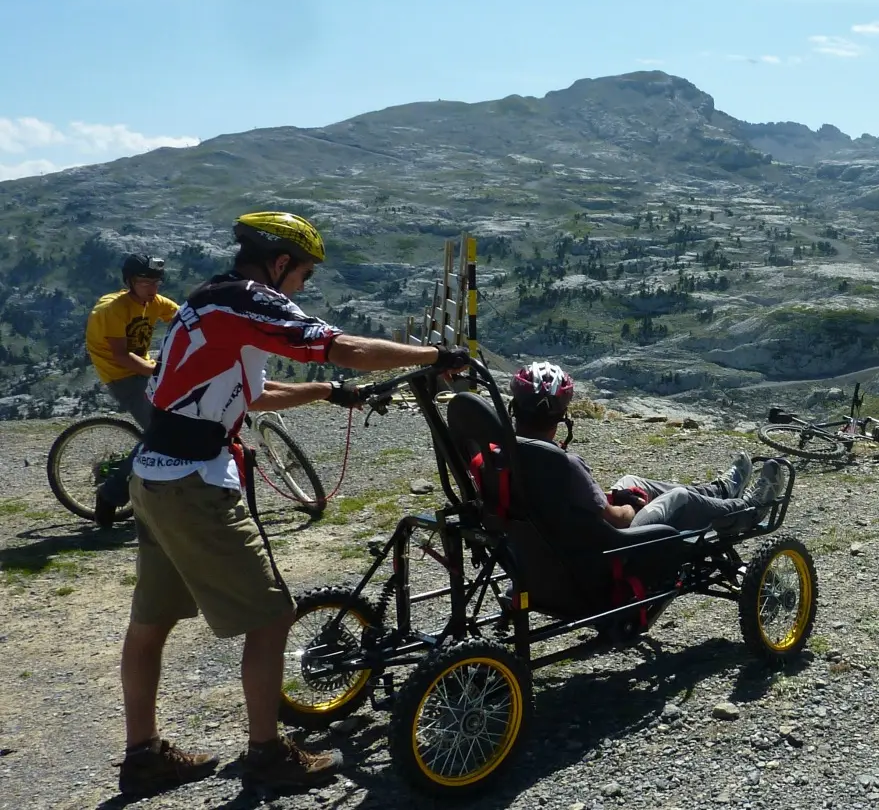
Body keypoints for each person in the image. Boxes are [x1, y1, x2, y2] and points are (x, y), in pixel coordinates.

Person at [116, 211, 471, 799]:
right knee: (273, 614)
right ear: (280, 262)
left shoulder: (209, 301)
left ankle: (143, 754)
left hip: (152, 476)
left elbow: (253, 392)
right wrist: (434, 357)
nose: (304, 285)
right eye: (303, 273)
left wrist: (332, 393)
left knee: (149, 623)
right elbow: (344, 347)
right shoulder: (255, 300)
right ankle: (266, 755)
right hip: (194, 485)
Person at [494, 362, 781, 530]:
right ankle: (750, 509)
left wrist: (615, 498)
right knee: (678, 497)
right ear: (561, 417)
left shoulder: (500, 455)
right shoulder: (563, 465)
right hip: (612, 547)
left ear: (514, 409)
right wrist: (629, 508)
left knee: (631, 482)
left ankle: (720, 491)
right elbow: (617, 521)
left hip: (551, 544)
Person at [85, 253, 179, 430]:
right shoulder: (115, 309)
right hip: (120, 374)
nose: (152, 289)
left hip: (142, 364)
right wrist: (158, 371)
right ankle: (146, 455)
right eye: (145, 283)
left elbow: (187, 319)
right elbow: (121, 356)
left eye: (156, 283)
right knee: (159, 431)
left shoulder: (155, 302)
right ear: (129, 282)